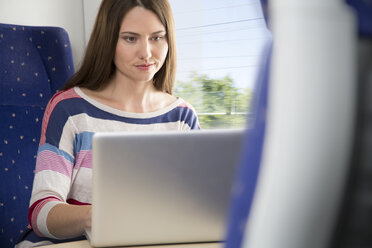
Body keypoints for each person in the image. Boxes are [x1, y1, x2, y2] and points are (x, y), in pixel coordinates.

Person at [16, 0, 199, 246]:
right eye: (130, 38)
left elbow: (196, 205)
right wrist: (99, 216)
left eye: (157, 38)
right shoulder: (70, 109)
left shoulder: (182, 117)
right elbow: (41, 212)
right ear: (108, 40)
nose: (146, 53)